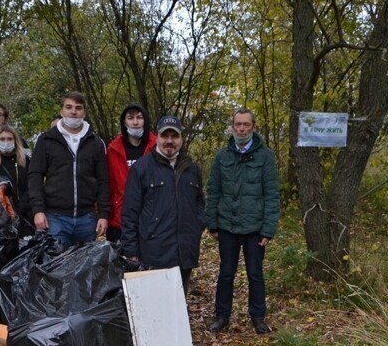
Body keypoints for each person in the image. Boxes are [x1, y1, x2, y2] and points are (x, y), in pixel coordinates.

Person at [206, 108, 280, 334]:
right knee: (226, 272)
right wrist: (212, 223)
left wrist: (268, 229)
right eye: (238, 124)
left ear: (253, 127)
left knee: (255, 274)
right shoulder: (222, 156)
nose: (241, 128)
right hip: (227, 225)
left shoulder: (265, 156)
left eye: (246, 124)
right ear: (233, 126)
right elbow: (213, 190)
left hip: (255, 228)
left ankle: (258, 317)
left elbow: (272, 194)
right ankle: (222, 316)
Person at [120, 115, 205, 295]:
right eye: (164, 136)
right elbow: (129, 212)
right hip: (154, 250)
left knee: (179, 301)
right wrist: (131, 249)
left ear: (181, 139)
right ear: (156, 137)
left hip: (185, 250)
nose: (169, 141)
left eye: (174, 136)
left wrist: (197, 225)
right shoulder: (141, 169)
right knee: (155, 303)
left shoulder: (191, 169)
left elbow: (199, 201)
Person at [28, 91, 109, 246]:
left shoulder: (96, 143)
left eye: (78, 108)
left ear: (84, 112)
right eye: (69, 107)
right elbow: (35, 176)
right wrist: (38, 210)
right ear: (61, 111)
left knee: (86, 267)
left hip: (87, 218)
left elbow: (103, 180)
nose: (73, 111)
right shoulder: (46, 140)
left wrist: (103, 214)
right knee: (57, 266)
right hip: (55, 218)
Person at [106, 104, 156, 242]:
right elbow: (108, 185)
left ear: (145, 121)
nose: (135, 122)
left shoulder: (157, 147)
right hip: (119, 219)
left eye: (139, 118)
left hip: (151, 219)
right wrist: (105, 214)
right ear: (124, 122)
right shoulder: (113, 149)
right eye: (130, 118)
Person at [0, 125, 32, 223]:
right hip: (0, 216)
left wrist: (21, 207)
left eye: (9, 139)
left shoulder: (25, 161)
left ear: (15, 141)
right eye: (2, 139)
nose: (6, 142)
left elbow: (31, 186)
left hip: (25, 213)